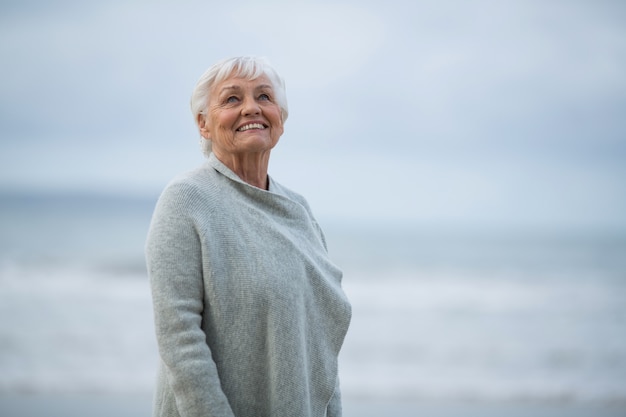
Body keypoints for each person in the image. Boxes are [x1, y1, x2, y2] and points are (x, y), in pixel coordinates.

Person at [145, 56, 352, 417]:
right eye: (231, 99)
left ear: (281, 120)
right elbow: (179, 338)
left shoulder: (299, 211)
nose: (251, 108)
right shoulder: (185, 199)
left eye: (264, 97)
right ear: (203, 124)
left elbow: (321, 342)